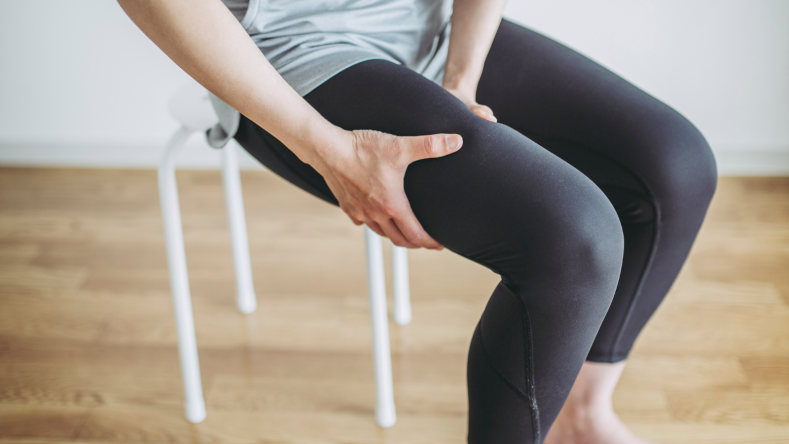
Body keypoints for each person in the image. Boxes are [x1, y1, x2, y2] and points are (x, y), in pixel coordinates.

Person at [118, 0, 717, 443]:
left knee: (677, 167)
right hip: (283, 52)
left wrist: (461, 76)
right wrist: (326, 148)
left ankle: (582, 415)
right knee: (573, 239)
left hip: (424, 24)